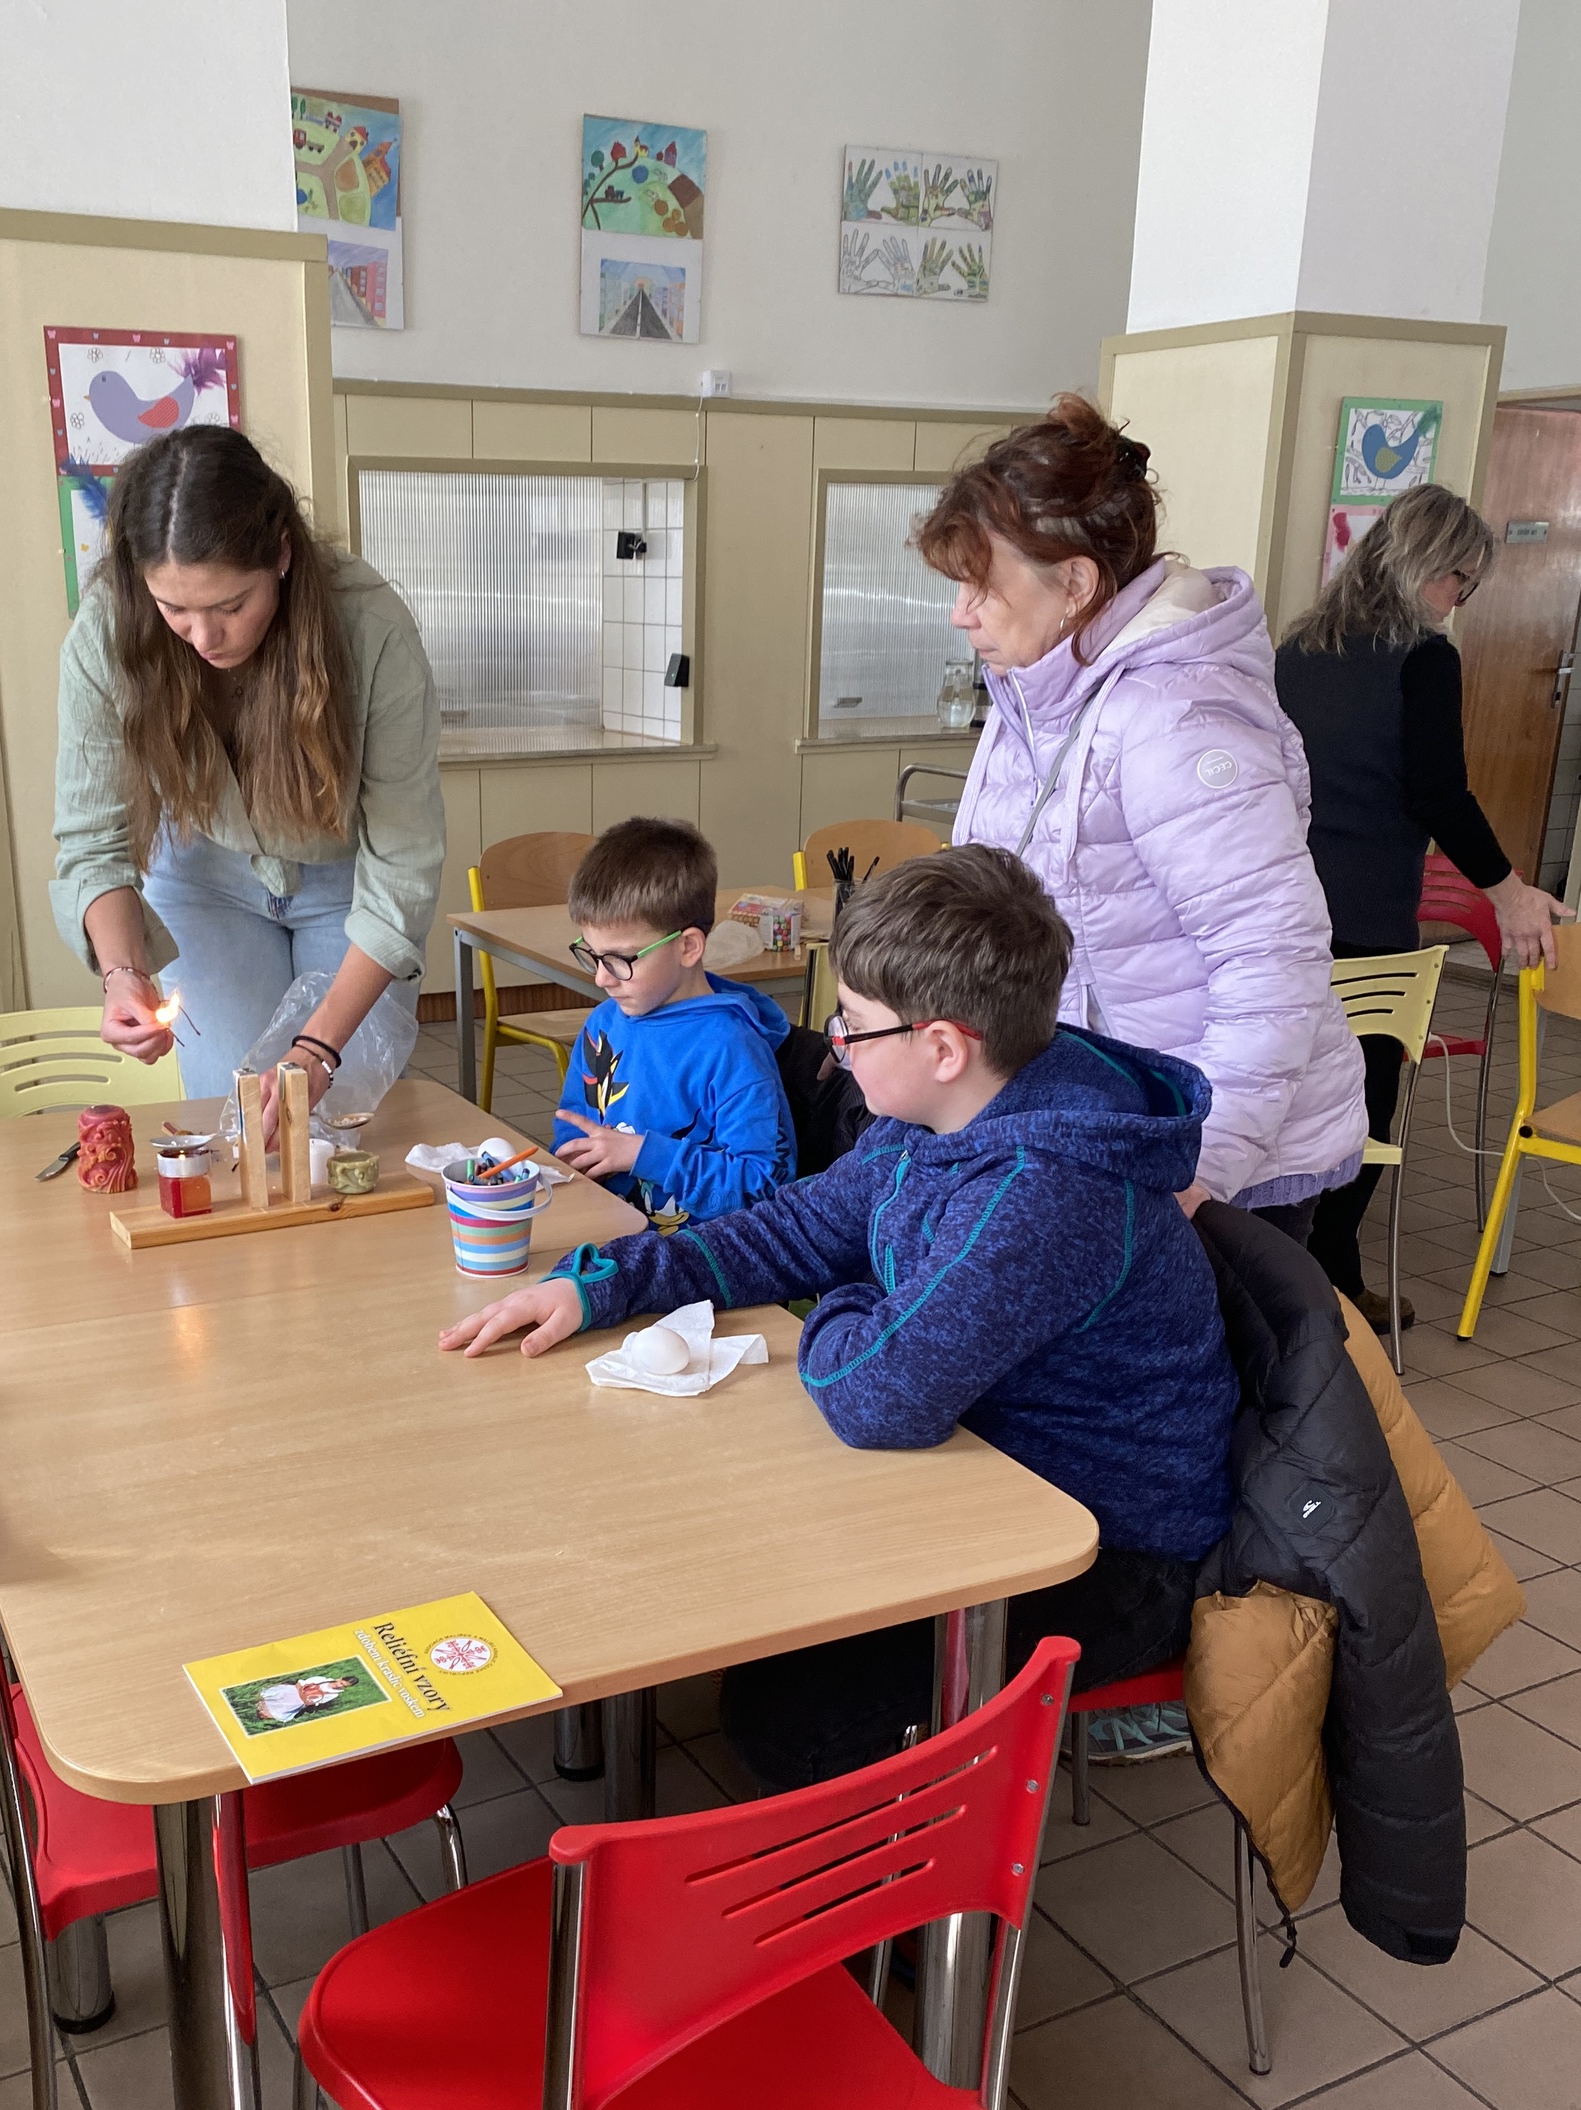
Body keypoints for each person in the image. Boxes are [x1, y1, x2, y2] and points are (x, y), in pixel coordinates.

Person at [443, 846, 1241, 1789]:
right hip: (985, 1460)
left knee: (788, 1719)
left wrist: (853, 1298)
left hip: (1105, 1544)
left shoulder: (1039, 1193)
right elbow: (796, 1228)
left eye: (853, 1026)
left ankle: (941, 1852)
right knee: (740, 1589)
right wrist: (601, 1284)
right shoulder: (940, 1113)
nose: (834, 1048)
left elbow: (876, 1396)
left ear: (943, 1047)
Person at [931, 394, 1368, 1249]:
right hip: (1108, 1128)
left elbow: (1272, 960)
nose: (961, 611)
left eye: (982, 584)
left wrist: (1201, 1168)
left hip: (1203, 1154)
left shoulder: (1175, 715)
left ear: (1076, 584)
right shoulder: (1034, 698)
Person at [50, 423, 444, 1105]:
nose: (204, 636)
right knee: (235, 1111)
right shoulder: (108, 630)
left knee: (336, 1117)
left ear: (282, 554)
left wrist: (318, 1048)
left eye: (232, 605)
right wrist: (122, 974)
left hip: (347, 886)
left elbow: (402, 865)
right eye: (174, 608)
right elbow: (92, 841)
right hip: (203, 880)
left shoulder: (370, 627)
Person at [1275, 485, 1571, 1327]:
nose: (1459, 599)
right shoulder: (1423, 657)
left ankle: (1272, 1272)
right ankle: (1335, 1282)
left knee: (1285, 1096)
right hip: (1369, 919)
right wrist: (1509, 893)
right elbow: (1439, 793)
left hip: (1283, 909)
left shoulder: (1297, 647)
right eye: (1458, 579)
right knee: (1363, 1103)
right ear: (1420, 566)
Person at [550, 817, 794, 1226]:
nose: (601, 978)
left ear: (688, 947)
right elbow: (576, 1131)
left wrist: (642, 1155)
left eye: (620, 959)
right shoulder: (604, 1024)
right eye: (591, 954)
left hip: (703, 1255)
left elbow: (764, 1188)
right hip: (612, 1237)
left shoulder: (731, 1048)